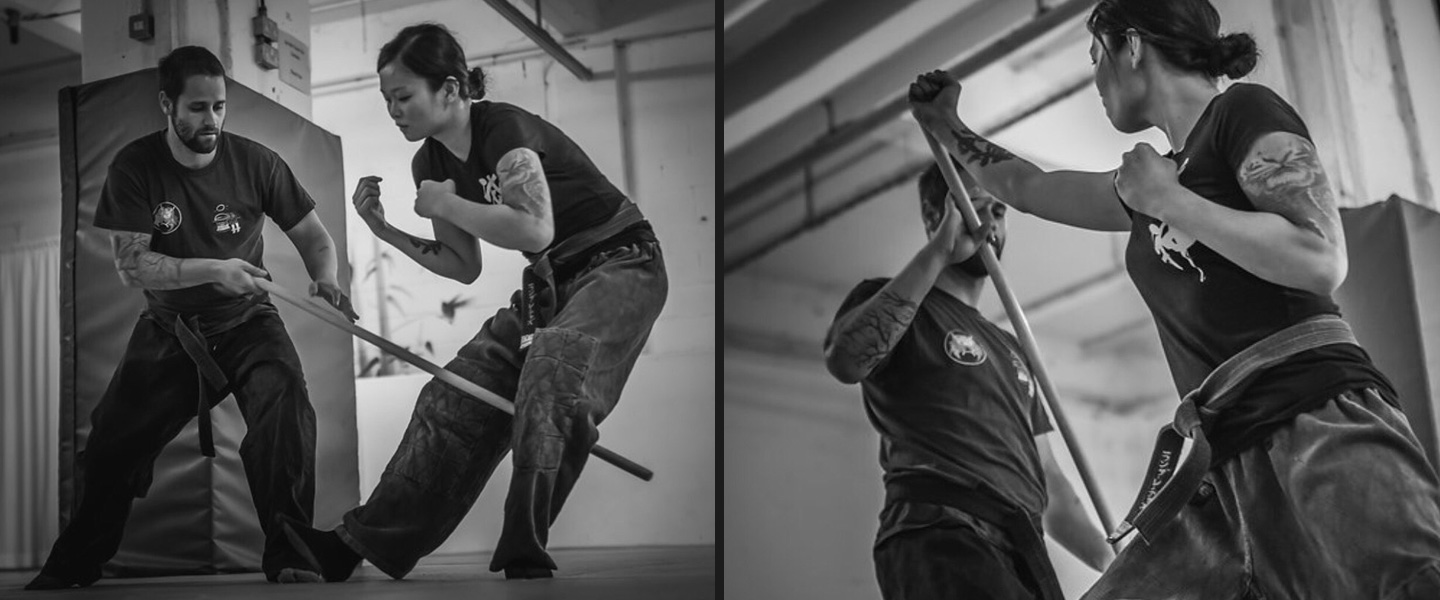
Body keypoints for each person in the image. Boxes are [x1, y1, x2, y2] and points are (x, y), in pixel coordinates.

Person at [907, 0, 1440, 598]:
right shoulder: (1145, 180)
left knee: (1409, 585)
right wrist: (947, 128)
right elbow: (1030, 188)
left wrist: (1172, 202)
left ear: (1131, 46)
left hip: (1312, 417)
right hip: (1216, 459)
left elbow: (1318, 258)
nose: (1095, 82)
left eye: (1095, 57)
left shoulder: (1240, 111)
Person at [280, 23, 667, 582]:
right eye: (386, 98)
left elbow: (534, 227)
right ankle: (354, 544)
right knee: (452, 393)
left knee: (554, 369)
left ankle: (522, 549)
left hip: (623, 260)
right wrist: (383, 229)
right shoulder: (430, 165)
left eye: (404, 96)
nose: (393, 110)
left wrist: (445, 204)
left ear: (453, 89)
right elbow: (463, 265)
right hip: (550, 283)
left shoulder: (502, 128)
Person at [27, 45, 356, 590]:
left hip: (249, 320)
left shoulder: (257, 162)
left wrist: (327, 277)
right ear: (167, 104)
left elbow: (314, 237)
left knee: (287, 410)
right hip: (172, 330)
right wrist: (213, 269)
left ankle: (291, 553)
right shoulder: (135, 166)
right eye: (198, 108)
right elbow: (133, 267)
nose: (212, 121)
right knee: (111, 446)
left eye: (220, 107)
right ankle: (74, 562)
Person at [824, 161, 1113, 600]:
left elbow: (1050, 480)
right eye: (976, 208)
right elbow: (846, 362)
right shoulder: (896, 305)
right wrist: (939, 251)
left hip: (1019, 543)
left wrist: (1114, 561)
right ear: (933, 215)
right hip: (942, 528)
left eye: (999, 212)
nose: (990, 225)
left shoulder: (1014, 347)